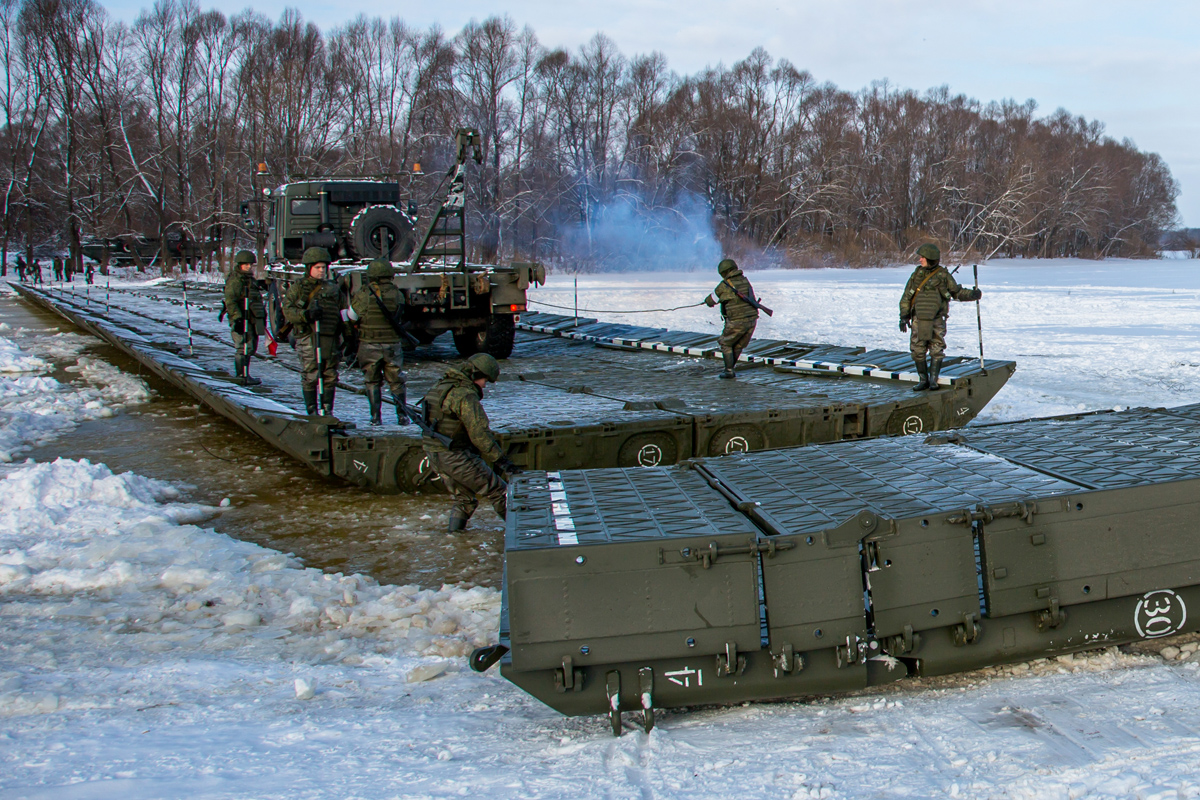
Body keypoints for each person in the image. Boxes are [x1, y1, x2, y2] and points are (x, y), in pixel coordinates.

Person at [421, 352, 520, 532]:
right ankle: (523, 533)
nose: (484, 385)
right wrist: (502, 461)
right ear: (474, 374)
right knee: (500, 492)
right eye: (484, 380)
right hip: (454, 456)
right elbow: (479, 433)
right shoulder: (465, 395)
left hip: (435, 453)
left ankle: (454, 538)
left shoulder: (441, 386)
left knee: (464, 499)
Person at [899, 243, 982, 391]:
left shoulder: (943, 276)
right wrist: (904, 317)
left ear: (930, 258)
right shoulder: (916, 275)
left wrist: (972, 295)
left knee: (936, 348)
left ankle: (933, 380)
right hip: (918, 319)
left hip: (937, 319)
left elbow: (956, 292)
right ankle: (923, 379)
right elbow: (906, 297)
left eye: (922, 257)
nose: (920, 260)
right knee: (917, 350)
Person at [344, 259, 409, 426]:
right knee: (396, 380)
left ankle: (375, 417)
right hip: (392, 344)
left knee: (372, 381)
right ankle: (402, 416)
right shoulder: (397, 294)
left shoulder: (363, 294)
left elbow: (352, 317)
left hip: (369, 343)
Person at [282, 247, 342, 415]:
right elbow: (288, 310)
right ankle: (311, 409)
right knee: (311, 373)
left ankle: (327, 408)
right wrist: (305, 315)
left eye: (324, 267)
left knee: (330, 374)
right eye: (317, 267)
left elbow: (342, 311)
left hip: (329, 337)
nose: (321, 271)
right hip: (308, 336)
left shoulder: (333, 289)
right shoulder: (298, 288)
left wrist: (349, 335)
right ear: (309, 268)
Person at [703, 257, 760, 379]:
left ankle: (729, 370)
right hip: (752, 320)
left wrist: (707, 301)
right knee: (739, 344)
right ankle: (730, 368)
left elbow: (711, 300)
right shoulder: (745, 281)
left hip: (737, 320)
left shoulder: (725, 285)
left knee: (726, 343)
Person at [223, 250, 266, 385]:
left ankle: (245, 374)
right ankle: (241, 375)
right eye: (245, 264)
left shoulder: (248, 279)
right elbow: (230, 300)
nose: (248, 267)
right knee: (243, 346)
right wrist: (237, 318)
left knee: (250, 346)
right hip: (242, 317)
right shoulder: (236, 280)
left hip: (251, 317)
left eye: (250, 264)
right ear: (240, 265)